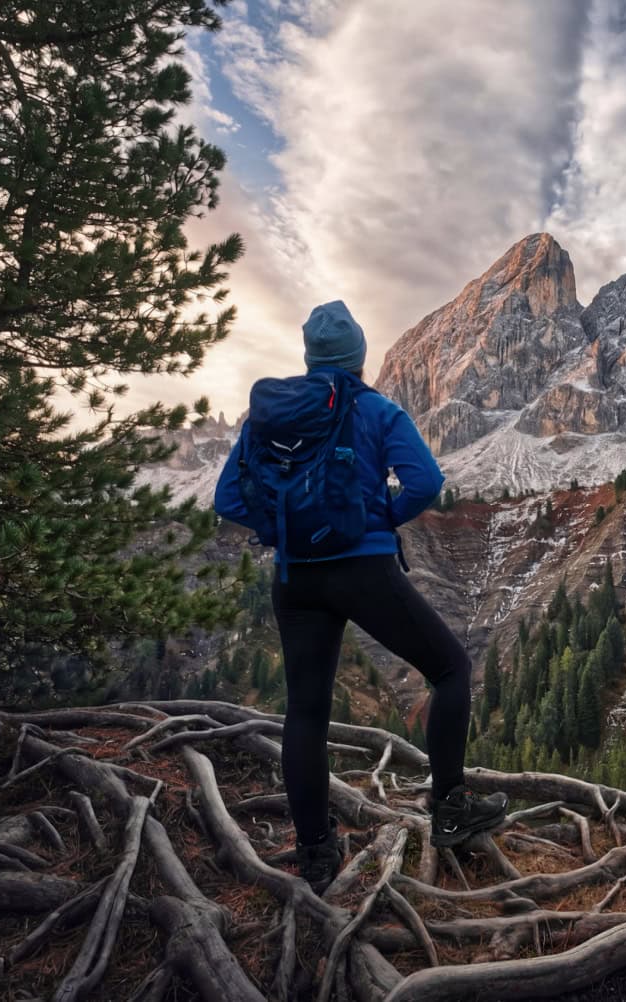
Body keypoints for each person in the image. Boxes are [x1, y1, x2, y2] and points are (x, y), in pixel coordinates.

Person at [214, 300, 507, 893]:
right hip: (363, 570)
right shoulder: (375, 408)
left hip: (295, 578)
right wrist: (380, 518)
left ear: (309, 356)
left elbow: (228, 500)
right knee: (450, 668)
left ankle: (317, 855)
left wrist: (281, 531)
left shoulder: (271, 416)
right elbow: (425, 481)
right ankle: (449, 808)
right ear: (359, 357)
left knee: (306, 713)